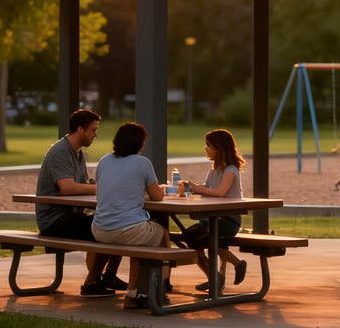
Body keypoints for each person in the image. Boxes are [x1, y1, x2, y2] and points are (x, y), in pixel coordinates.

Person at [34, 108, 123, 297]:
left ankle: (108, 276)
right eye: (93, 130)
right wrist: (101, 188)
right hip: (54, 221)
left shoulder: (77, 152)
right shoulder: (60, 152)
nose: (96, 135)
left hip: (70, 216)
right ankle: (91, 284)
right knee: (109, 226)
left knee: (119, 221)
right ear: (80, 130)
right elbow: (67, 187)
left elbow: (82, 185)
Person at [93, 121, 169, 310]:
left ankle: (138, 292)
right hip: (127, 230)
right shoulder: (142, 163)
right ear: (140, 143)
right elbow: (157, 196)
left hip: (99, 229)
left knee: (142, 239)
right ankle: (157, 290)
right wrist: (162, 189)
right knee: (162, 234)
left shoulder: (104, 160)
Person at [183, 129, 248, 294]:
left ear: (220, 149)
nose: (206, 149)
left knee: (210, 237)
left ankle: (238, 264)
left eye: (209, 146)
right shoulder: (213, 170)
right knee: (189, 235)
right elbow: (206, 189)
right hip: (211, 217)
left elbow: (220, 192)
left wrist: (197, 188)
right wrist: (190, 189)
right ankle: (213, 277)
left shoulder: (230, 170)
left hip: (228, 220)